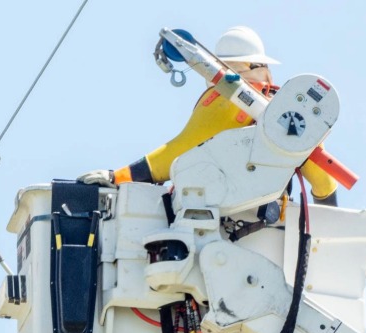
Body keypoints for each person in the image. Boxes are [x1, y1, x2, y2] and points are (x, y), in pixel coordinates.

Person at [79, 26, 343, 206]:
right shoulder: (291, 115)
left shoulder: (222, 103)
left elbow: (175, 154)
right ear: (263, 70)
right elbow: (324, 183)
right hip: (268, 220)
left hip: (218, 215)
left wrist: (117, 177)